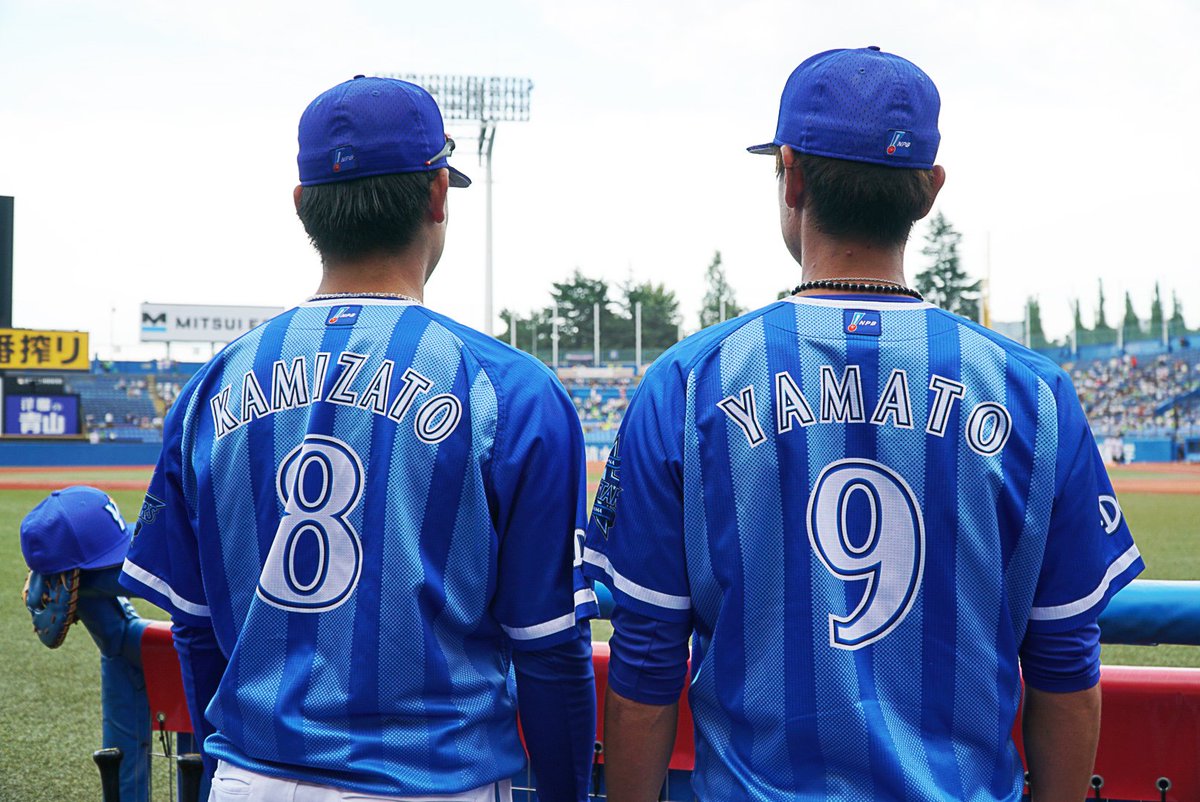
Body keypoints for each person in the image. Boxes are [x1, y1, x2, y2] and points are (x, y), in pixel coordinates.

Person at [583, 47, 1143, 801]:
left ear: (791, 173)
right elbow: (1067, 672)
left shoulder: (687, 383)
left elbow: (646, 668)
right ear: (930, 190)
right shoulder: (1035, 394)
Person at [120, 75, 598, 802]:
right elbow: (550, 651)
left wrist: (237, 767)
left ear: (303, 206)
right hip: (438, 781)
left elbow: (195, 629)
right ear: (439, 195)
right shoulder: (511, 389)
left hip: (250, 779)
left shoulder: (210, 388)